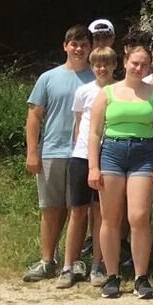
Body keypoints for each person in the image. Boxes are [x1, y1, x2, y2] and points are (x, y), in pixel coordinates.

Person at [87, 41, 153, 299]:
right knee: (110, 218)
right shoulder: (107, 93)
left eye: (144, 64)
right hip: (112, 152)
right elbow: (94, 133)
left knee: (139, 216)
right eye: (135, 63)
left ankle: (141, 277)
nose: (139, 68)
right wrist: (93, 167)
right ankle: (112, 275)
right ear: (125, 63)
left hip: (143, 154)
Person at [22, 24, 94, 281]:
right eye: (74, 44)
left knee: (78, 209)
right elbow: (34, 116)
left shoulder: (97, 78)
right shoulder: (48, 78)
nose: (79, 49)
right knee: (51, 208)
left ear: (91, 48)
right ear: (65, 46)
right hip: (52, 150)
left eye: (84, 45)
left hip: (83, 154)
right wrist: (32, 152)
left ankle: (73, 262)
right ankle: (47, 260)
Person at [57, 46, 115, 288]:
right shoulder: (83, 91)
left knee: (101, 213)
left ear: (114, 66)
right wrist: (76, 150)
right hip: (81, 156)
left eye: (106, 64)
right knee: (77, 211)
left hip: (107, 155)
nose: (101, 69)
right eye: (97, 65)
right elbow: (79, 124)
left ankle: (97, 265)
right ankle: (68, 266)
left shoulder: (117, 91)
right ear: (92, 67)